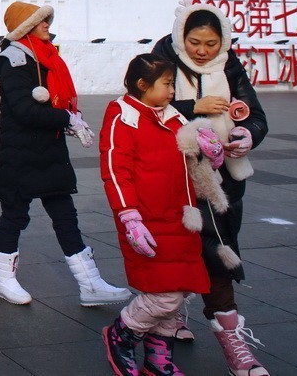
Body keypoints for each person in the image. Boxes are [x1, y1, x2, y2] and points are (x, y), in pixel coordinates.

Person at [151, 3, 270, 376]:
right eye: (195, 41)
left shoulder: (230, 68)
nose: (203, 50)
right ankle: (169, 318)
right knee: (176, 251)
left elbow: (256, 116)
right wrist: (191, 106)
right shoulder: (160, 64)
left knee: (219, 252)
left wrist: (244, 135)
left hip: (223, 182)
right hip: (174, 178)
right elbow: (144, 113)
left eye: (211, 42)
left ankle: (232, 341)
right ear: (180, 38)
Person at [0, 1, 130, 307]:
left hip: (48, 151)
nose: (47, 25)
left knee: (66, 217)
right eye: (41, 21)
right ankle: (4, 279)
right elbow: (24, 110)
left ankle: (90, 284)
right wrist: (66, 118)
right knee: (15, 215)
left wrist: (66, 118)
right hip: (21, 153)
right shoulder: (14, 59)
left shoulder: (45, 57)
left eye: (47, 20)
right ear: (25, 27)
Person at [100, 54, 213, 376]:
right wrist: (129, 217)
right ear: (142, 84)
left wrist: (209, 150)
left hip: (179, 218)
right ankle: (121, 335)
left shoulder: (172, 117)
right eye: (166, 84)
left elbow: (191, 163)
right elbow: (114, 170)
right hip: (146, 220)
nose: (172, 91)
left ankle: (158, 359)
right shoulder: (123, 117)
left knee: (177, 292)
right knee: (163, 295)